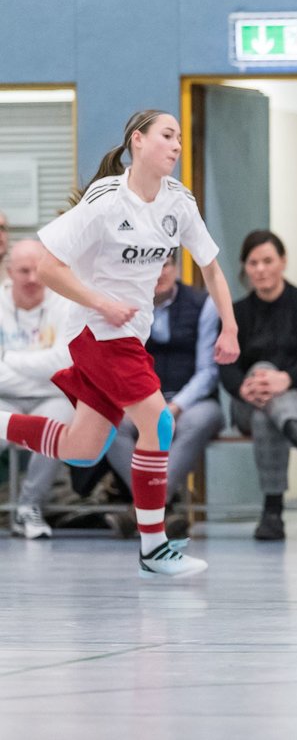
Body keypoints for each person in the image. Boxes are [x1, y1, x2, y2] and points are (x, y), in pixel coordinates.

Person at [0, 109, 239, 577]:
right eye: (167, 135)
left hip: (128, 333)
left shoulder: (177, 202)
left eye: (179, 139)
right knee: (160, 423)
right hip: (95, 332)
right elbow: (48, 267)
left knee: (82, 446)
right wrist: (101, 303)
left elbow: (210, 267)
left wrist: (229, 327)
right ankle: (154, 547)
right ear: (138, 141)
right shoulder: (107, 200)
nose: (176, 145)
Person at [219, 230, 297, 542]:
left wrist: (285, 379)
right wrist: (243, 387)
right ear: (245, 267)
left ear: (282, 262)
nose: (260, 269)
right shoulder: (236, 313)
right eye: (253, 263)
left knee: (265, 409)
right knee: (260, 374)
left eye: (267, 261)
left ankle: (272, 513)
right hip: (248, 400)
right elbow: (225, 364)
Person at [103, 252, 226, 539]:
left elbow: (208, 372)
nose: (159, 273)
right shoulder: (124, 308)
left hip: (190, 402)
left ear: (175, 267)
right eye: (151, 266)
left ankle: (140, 510)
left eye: (165, 265)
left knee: (200, 421)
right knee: (111, 423)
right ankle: (160, 511)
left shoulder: (202, 304)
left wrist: (176, 406)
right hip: (140, 401)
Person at [2, 240, 76, 539]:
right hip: (5, 398)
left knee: (57, 428)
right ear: (10, 273)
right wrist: (41, 372)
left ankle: (28, 507)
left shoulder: (65, 304)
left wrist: (8, 360)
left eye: (37, 270)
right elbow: (53, 367)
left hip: (52, 397)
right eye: (23, 271)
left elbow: (65, 362)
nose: (32, 279)